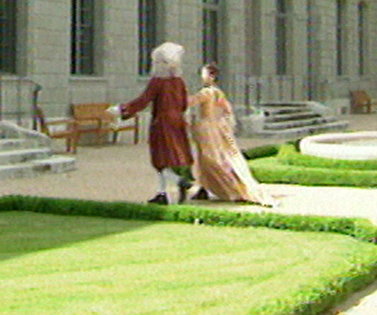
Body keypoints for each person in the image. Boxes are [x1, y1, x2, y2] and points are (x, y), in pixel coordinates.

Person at [109, 41, 193, 205]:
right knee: (170, 159)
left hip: (162, 123)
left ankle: (178, 181)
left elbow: (143, 100)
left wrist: (122, 109)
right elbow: (184, 104)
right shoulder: (179, 82)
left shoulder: (158, 82)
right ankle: (162, 193)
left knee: (160, 160)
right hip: (178, 123)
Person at [188, 63, 276, 207]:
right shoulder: (218, 92)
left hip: (207, 128)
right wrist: (223, 123)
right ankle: (203, 187)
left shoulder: (208, 92)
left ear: (212, 76)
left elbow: (191, 101)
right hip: (214, 127)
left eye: (204, 73)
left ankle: (229, 188)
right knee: (206, 158)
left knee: (209, 158)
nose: (202, 76)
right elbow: (227, 109)